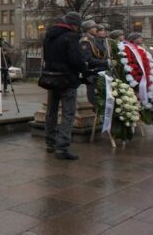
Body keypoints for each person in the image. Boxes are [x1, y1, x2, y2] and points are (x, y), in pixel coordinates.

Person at [43, 11, 88, 160]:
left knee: (51, 111)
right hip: (67, 79)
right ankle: (62, 148)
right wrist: (84, 68)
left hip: (51, 78)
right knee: (68, 113)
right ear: (74, 25)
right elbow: (76, 59)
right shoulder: (71, 36)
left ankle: (50, 142)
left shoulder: (50, 35)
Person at [80, 20, 108, 105]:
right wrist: (106, 63)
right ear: (88, 30)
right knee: (94, 99)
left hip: (99, 71)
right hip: (92, 73)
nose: (96, 29)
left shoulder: (94, 40)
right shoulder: (85, 41)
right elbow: (88, 59)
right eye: (94, 27)